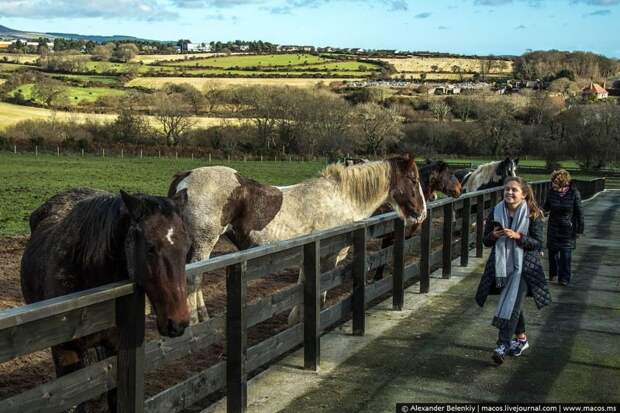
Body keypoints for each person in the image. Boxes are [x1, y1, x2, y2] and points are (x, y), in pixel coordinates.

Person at [475, 177, 551, 365]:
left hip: (524, 268)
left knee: (513, 303)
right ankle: (522, 338)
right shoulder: (496, 211)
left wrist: (518, 237)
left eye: (514, 190)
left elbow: (538, 244)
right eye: (507, 189)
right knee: (513, 303)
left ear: (523, 194)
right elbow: (485, 241)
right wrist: (493, 235)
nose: (509, 193)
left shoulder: (534, 214)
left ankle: (502, 345)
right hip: (501, 266)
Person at [543, 169, 584, 286]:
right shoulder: (551, 192)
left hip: (568, 229)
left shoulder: (574, 193)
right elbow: (546, 207)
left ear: (563, 182)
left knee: (566, 255)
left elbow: (579, 212)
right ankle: (553, 274)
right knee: (552, 253)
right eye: (553, 181)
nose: (553, 184)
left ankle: (564, 278)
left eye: (555, 181)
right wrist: (537, 212)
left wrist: (580, 230)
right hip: (553, 227)